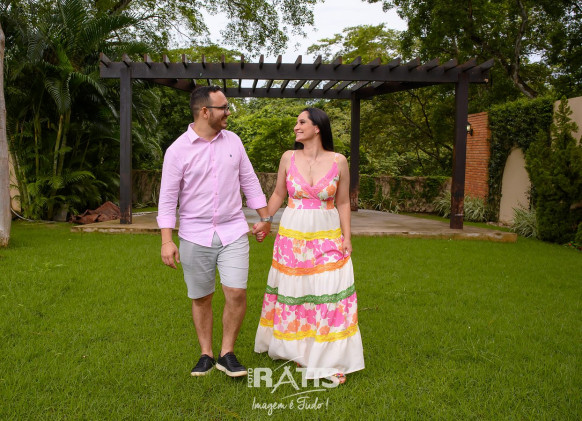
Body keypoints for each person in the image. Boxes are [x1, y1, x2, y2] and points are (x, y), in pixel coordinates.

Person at [157, 86, 272, 378]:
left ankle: (227, 353)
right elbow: (168, 199)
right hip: (194, 234)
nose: (228, 113)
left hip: (233, 230)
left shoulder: (234, 141)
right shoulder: (177, 150)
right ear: (205, 111)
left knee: (236, 292)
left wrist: (265, 217)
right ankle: (206, 354)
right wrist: (167, 241)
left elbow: (249, 181)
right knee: (201, 297)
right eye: (224, 108)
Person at [253, 107, 364, 384]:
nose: (296, 126)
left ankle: (330, 357)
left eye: (302, 121)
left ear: (317, 127)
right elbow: (278, 193)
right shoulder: (288, 157)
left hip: (327, 235)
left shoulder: (339, 161)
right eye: (296, 122)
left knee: (329, 293)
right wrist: (265, 220)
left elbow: (343, 202)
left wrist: (347, 237)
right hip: (292, 236)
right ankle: (298, 350)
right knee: (298, 291)